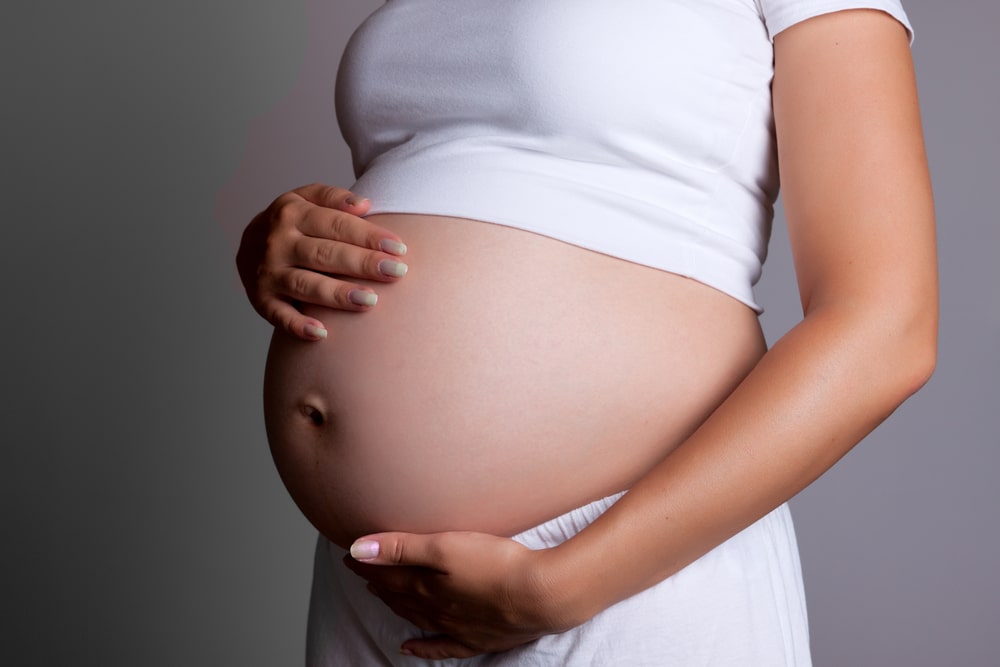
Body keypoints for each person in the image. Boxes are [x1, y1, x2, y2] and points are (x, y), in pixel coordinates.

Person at [237, 1, 937, 664]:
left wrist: (564, 583)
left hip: (620, 569)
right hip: (375, 583)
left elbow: (885, 324)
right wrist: (279, 244)